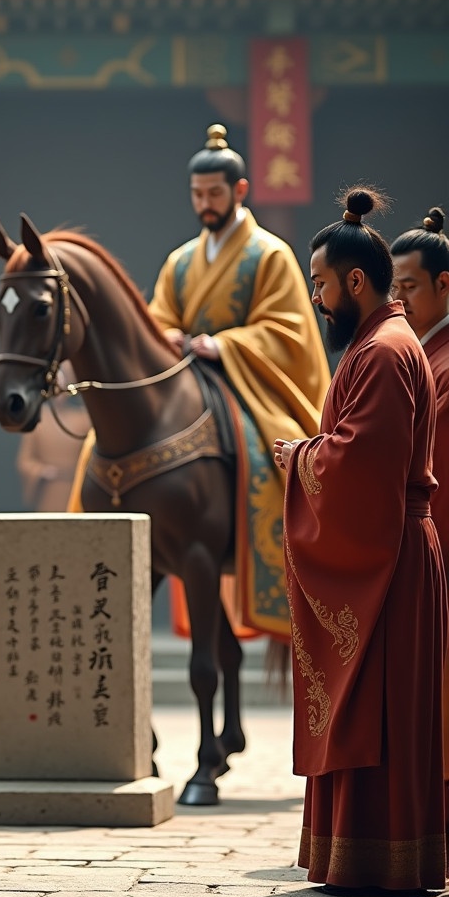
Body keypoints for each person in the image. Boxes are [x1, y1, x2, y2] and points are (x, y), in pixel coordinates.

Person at [274, 188, 447, 895]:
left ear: (353, 281)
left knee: (377, 709)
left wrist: (298, 460)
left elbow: (359, 465)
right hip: (395, 550)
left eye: (319, 284)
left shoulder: (380, 350)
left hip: (390, 559)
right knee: (376, 709)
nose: (316, 299)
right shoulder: (391, 342)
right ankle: (364, 852)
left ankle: (379, 857)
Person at [146, 124, 330, 638]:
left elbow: (287, 329)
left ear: (240, 191)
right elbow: (156, 320)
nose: (205, 204)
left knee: (270, 454)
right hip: (186, 381)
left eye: (215, 194)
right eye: (198, 195)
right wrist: (174, 337)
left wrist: (225, 344)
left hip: (248, 384)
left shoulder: (268, 254)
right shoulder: (181, 261)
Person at [391, 205, 449, 844]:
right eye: (394, 289)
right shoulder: (418, 353)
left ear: (444, 284)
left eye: (410, 287)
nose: (400, 300)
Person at [17, 362, 91, 512]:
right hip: (48, 492)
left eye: (62, 387)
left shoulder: (83, 419)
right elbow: (25, 461)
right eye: (54, 388)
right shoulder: (38, 420)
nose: (58, 392)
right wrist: (41, 471)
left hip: (75, 488)